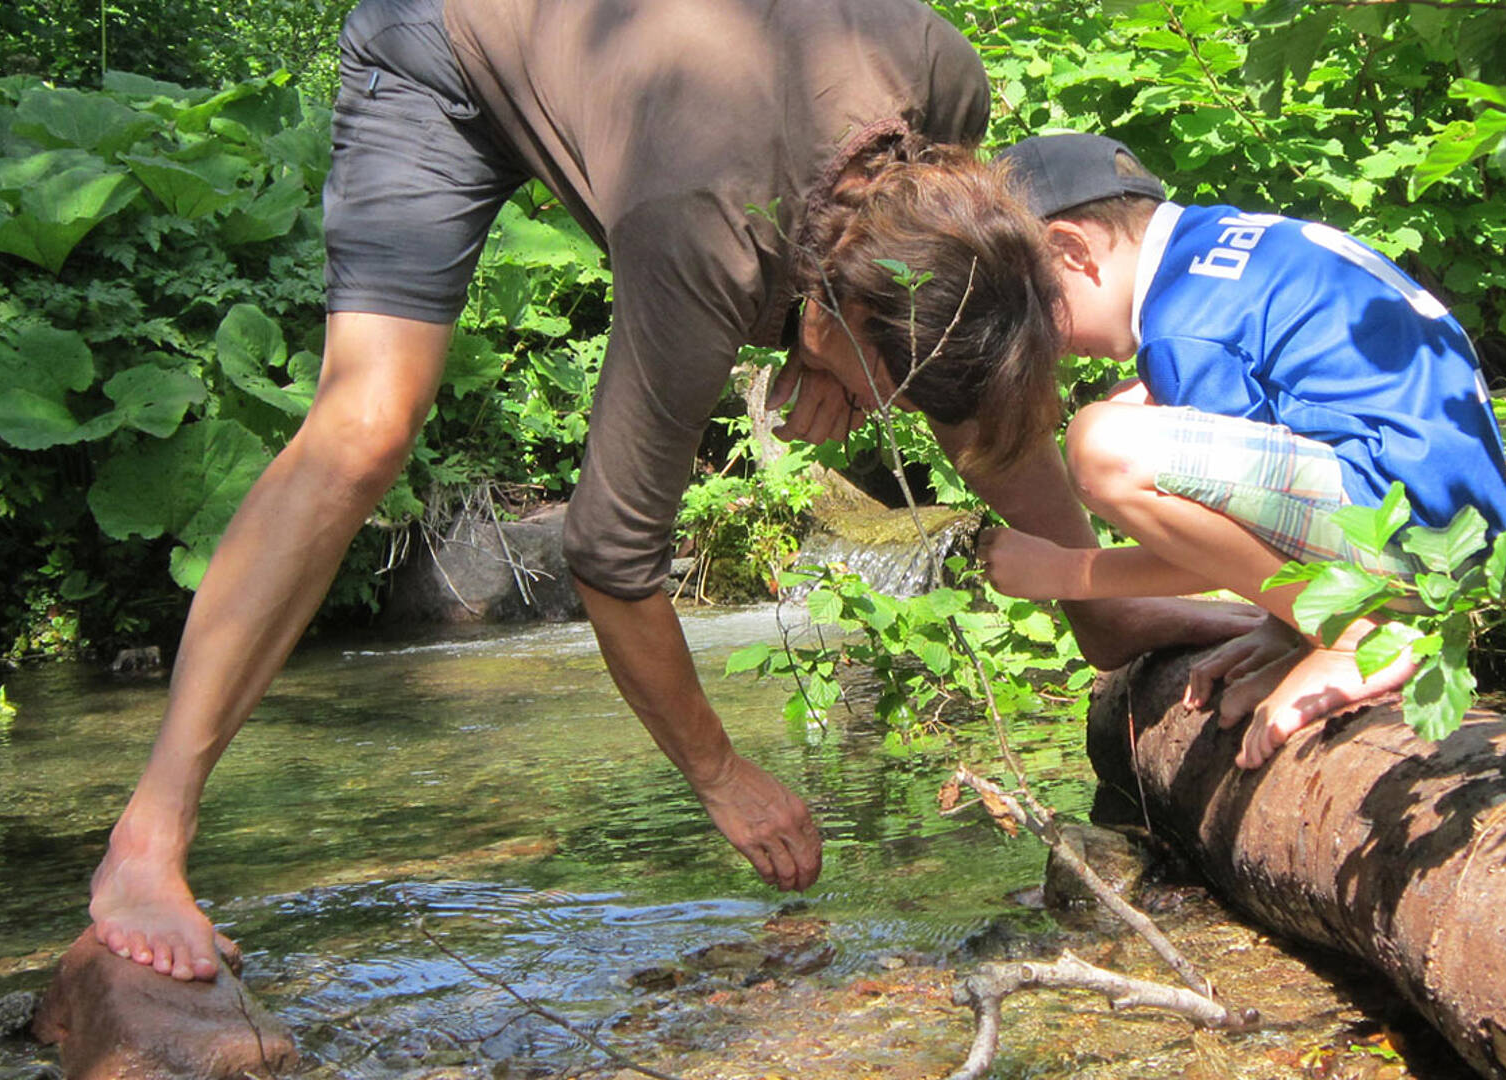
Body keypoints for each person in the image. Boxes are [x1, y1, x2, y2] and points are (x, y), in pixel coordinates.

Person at [88, 1, 1258, 983]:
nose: (900, 422)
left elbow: (945, 307)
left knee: (974, 361)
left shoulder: (942, 74)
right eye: (878, 380)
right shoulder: (699, 234)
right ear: (820, 303)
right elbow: (609, 556)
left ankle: (1105, 612)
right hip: (448, 44)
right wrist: (722, 774)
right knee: (364, 429)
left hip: (680, 103)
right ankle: (151, 834)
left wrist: (836, 358)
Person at [978, 133, 1506, 770]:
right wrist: (1280, 625)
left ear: (1072, 249)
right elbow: (1266, 500)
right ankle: (1311, 622)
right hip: (1450, 519)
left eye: (1032, 311)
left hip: (1412, 531)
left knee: (1105, 444)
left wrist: (1068, 573)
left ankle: (1352, 634)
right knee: (1135, 404)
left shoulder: (1186, 327)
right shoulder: (1218, 247)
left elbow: (1214, 540)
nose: (1048, 346)